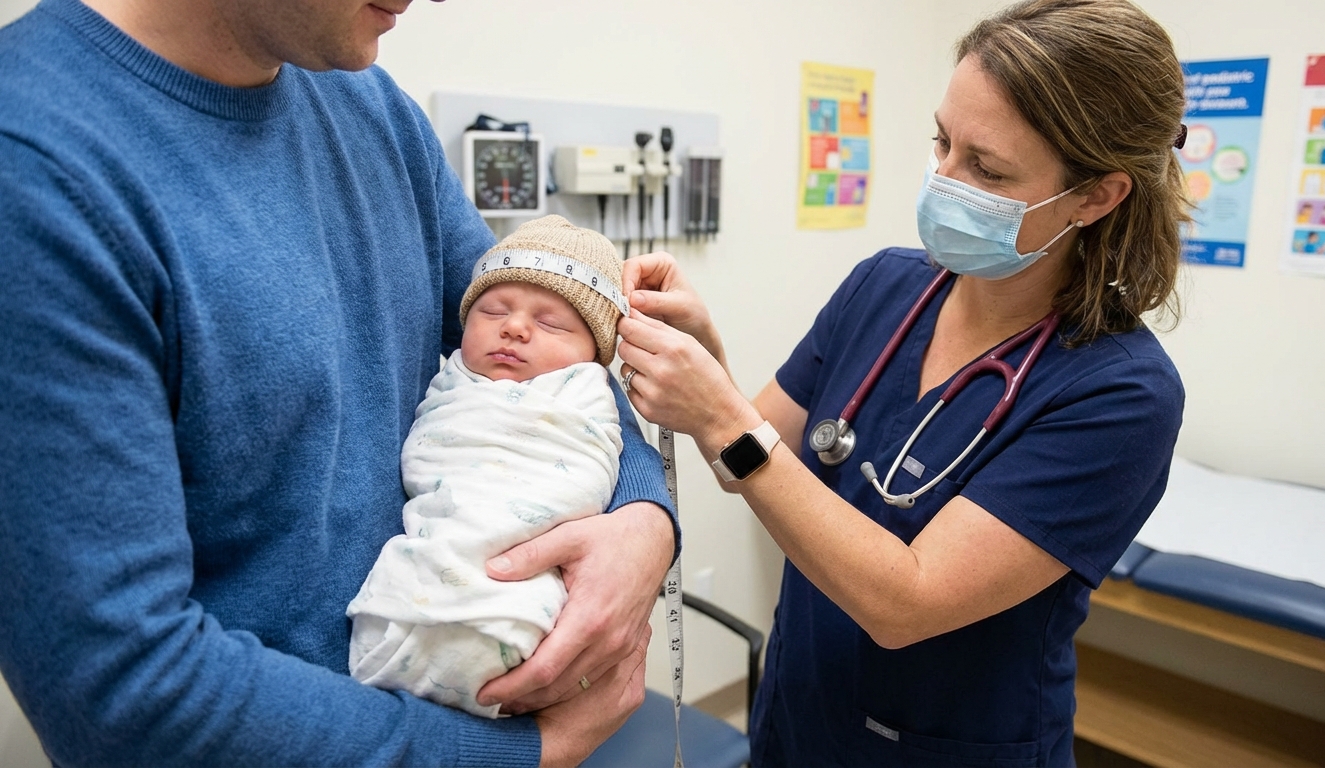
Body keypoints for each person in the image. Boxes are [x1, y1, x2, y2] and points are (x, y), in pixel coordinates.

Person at [0, 1, 678, 766]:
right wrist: (513, 755)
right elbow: (124, 687)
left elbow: (551, 355)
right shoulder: (33, 169)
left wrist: (644, 516)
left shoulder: (371, 109)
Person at [615, 0, 1187, 764]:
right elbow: (743, 465)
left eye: (986, 168)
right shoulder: (884, 286)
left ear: (1095, 195)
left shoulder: (1121, 395)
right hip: (796, 720)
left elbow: (904, 603)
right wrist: (706, 357)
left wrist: (718, 415)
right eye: (942, 142)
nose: (944, 181)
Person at [347, 216, 629, 719]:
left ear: (593, 358)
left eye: (550, 323)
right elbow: (425, 461)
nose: (513, 326)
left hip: (519, 580)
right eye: (492, 310)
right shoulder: (452, 383)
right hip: (433, 543)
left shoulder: (584, 395)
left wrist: (646, 522)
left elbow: (589, 468)